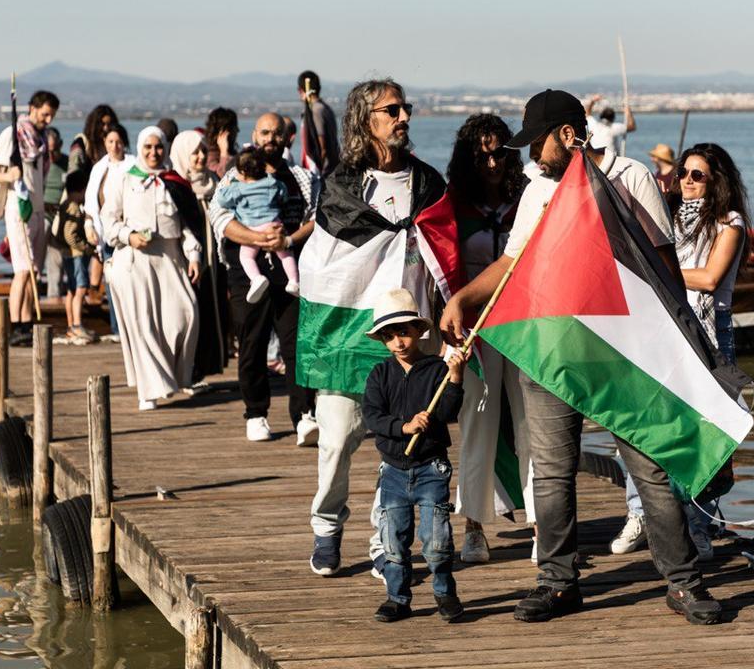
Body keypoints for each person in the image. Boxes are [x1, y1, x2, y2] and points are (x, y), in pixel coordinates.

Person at [439, 89, 723, 625]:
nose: (530, 156)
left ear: (569, 135)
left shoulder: (630, 176)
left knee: (650, 469)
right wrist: (463, 298)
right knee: (550, 471)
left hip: (621, 351)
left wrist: (673, 350)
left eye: (537, 143)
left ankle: (684, 583)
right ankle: (558, 582)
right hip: (549, 347)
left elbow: (663, 269)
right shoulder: (537, 191)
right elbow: (511, 262)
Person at [299, 78, 448, 578]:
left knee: (399, 448)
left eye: (407, 107)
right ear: (367, 120)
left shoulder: (428, 183)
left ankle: (384, 543)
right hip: (348, 332)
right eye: (392, 110)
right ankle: (326, 526)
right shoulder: (344, 186)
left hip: (404, 338)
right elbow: (323, 264)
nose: (404, 116)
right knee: (338, 438)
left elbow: (442, 255)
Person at [612, 143, 751, 559]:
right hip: (664, 329)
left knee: (704, 432)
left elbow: (709, 278)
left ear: (717, 181)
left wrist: (655, 269)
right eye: (683, 174)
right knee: (645, 424)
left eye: (698, 175)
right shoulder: (668, 219)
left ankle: (700, 524)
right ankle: (640, 514)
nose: (687, 182)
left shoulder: (730, 222)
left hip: (710, 333)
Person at [444, 114, 534, 564]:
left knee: (531, 424)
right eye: (482, 154)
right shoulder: (455, 207)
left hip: (523, 323)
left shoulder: (527, 200)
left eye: (500, 152)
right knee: (477, 421)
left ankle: (543, 525)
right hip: (475, 329)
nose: (493, 162)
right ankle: (474, 526)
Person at [208, 113, 318, 441]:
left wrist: (286, 241)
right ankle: (255, 413)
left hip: (290, 267)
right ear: (255, 135)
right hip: (247, 271)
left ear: (288, 138)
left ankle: (304, 415)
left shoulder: (302, 178)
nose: (271, 138)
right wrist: (257, 239)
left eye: (277, 133)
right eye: (265, 132)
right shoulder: (235, 175)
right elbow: (219, 216)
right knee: (252, 343)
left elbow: (316, 218)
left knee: (297, 343)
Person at [361, 288, 466, 623]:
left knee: (436, 539)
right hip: (392, 469)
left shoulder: (436, 369)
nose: (398, 342)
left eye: (403, 332)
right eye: (389, 337)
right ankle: (397, 597)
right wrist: (403, 427)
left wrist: (456, 378)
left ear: (419, 331)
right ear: (382, 341)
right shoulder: (380, 374)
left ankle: (444, 592)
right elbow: (372, 416)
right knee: (393, 539)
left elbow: (449, 410)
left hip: (431, 467)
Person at [100, 126, 201, 411]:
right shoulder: (124, 179)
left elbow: (188, 227)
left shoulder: (176, 182)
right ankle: (149, 389)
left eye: (158, 147)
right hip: (135, 261)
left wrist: (194, 256)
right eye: (147, 147)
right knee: (142, 323)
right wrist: (127, 236)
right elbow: (109, 220)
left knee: (184, 315)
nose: (153, 153)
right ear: (140, 148)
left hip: (170, 258)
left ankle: (173, 376)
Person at [0, 89, 58, 346]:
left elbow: (40, 176)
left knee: (35, 271)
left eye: (52, 116)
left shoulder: (42, 138)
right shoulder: (13, 134)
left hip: (38, 210)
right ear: (33, 108)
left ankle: (27, 322)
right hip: (20, 208)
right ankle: (15, 324)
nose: (48, 120)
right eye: (45, 114)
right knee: (22, 270)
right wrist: (11, 176)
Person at [169, 129, 228, 385]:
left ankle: (205, 366)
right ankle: (185, 368)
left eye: (204, 150)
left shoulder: (214, 182)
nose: (201, 156)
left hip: (215, 261)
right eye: (195, 152)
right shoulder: (174, 185)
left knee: (211, 311)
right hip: (188, 261)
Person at [214, 148, 301, 303]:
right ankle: (294, 280)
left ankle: (256, 278)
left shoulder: (237, 187)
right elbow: (283, 196)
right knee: (286, 254)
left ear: (242, 172)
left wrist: (227, 184)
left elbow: (222, 201)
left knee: (246, 257)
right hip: (274, 225)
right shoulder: (273, 182)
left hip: (251, 228)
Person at [84, 124, 133, 341]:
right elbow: (90, 201)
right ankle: (116, 329)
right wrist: (89, 225)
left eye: (118, 141)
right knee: (112, 282)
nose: (114, 146)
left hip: (130, 233)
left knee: (130, 282)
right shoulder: (99, 169)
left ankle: (132, 327)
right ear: (105, 144)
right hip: (106, 234)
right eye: (110, 142)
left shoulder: (133, 165)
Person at [55, 168, 97, 344]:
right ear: (81, 190)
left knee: (71, 290)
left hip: (66, 253)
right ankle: (78, 325)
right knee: (80, 288)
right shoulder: (73, 207)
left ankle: (71, 326)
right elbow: (70, 233)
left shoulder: (64, 205)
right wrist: (86, 247)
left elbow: (59, 233)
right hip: (76, 254)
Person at [42, 126, 69, 298]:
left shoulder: (67, 164)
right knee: (35, 259)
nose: (52, 154)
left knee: (56, 260)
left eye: (55, 149)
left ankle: (54, 298)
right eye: (48, 150)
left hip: (60, 217)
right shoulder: (39, 163)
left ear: (60, 144)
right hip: (42, 216)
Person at [297, 70, 340, 177]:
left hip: (322, 172)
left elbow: (322, 146)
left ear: (301, 90)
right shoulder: (325, 108)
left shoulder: (315, 110)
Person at [69, 104, 120, 174]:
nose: (106, 128)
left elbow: (127, 165)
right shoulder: (81, 142)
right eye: (102, 124)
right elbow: (73, 171)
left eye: (109, 124)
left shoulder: (115, 144)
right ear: (94, 124)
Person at [204, 106, 240, 177]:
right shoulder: (208, 155)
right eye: (234, 128)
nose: (238, 130)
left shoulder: (232, 153)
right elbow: (223, 176)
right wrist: (224, 153)